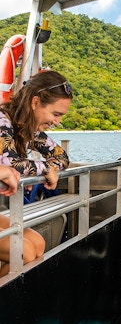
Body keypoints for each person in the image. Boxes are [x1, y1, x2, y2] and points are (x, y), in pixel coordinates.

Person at [0, 70, 72, 276]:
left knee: (37, 244)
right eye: (55, 114)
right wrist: (45, 168)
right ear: (35, 102)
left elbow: (61, 156)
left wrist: (53, 167)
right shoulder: (2, 122)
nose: (57, 122)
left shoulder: (25, 129)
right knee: (24, 252)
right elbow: (11, 163)